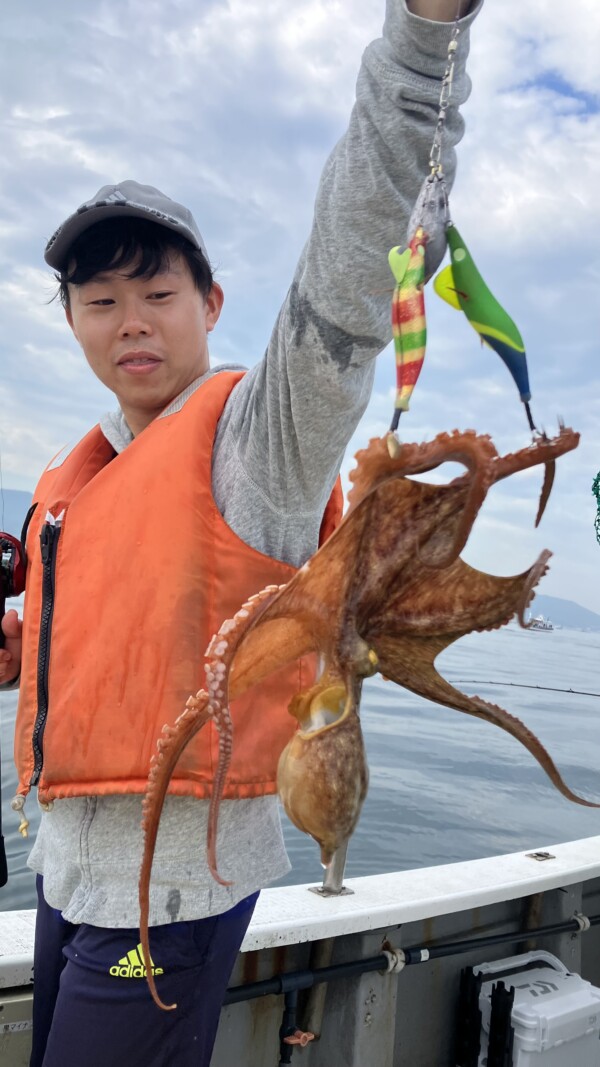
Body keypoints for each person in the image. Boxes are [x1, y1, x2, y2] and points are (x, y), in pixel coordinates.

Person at [0, 1, 482, 1064]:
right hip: (70, 871)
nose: (131, 319)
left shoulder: (261, 443)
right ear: (73, 321)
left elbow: (351, 260)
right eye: (100, 299)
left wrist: (423, 35)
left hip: (169, 894)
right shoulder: (78, 487)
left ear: (210, 300)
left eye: (158, 292)